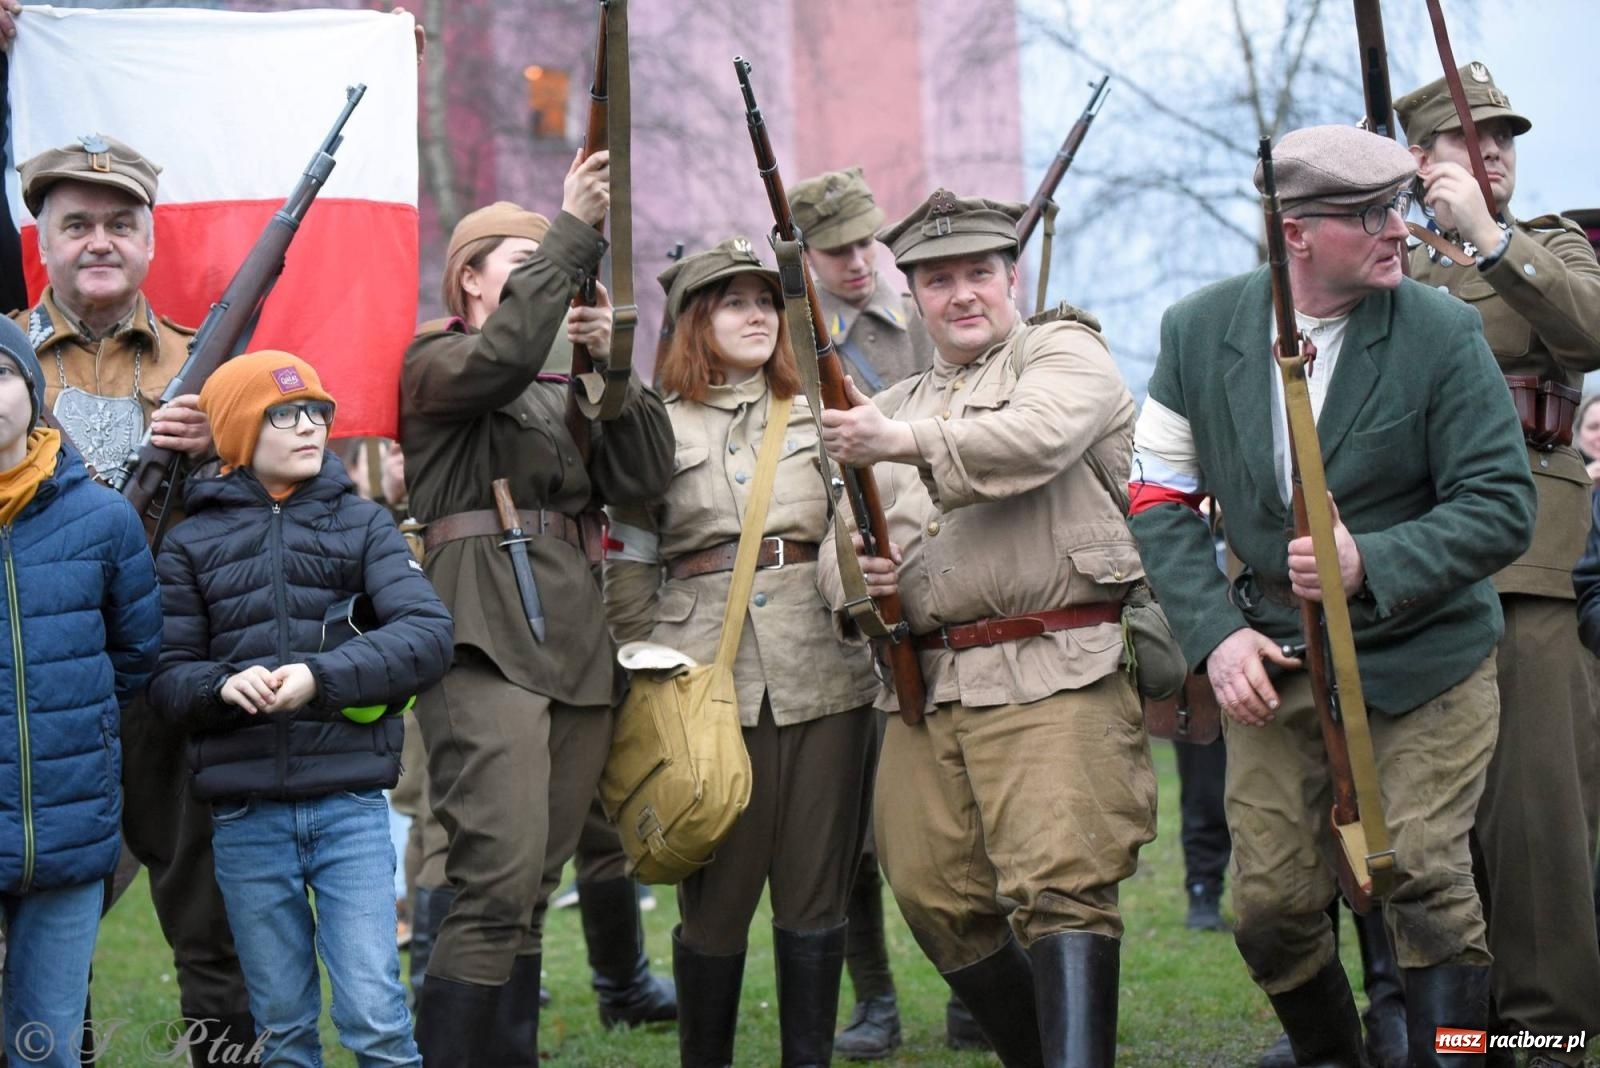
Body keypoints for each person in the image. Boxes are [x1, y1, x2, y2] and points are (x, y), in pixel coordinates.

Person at [1127, 124, 1536, 1067]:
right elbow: (1156, 499)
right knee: (1268, 908)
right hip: (1275, 655)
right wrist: (1216, 636)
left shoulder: (1443, 331)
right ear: (1295, 233)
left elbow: (1503, 505)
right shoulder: (1196, 331)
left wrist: (1370, 563)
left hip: (1423, 653)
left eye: (1397, 204)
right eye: (1369, 214)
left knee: (1424, 877)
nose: (1400, 227)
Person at [818, 189, 1158, 1066]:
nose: (962, 294)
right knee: (933, 894)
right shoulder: (891, 402)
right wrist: (864, 570)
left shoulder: (1062, 353)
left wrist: (898, 442)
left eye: (979, 273)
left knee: (1064, 886)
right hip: (929, 686)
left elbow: (1036, 439)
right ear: (915, 295)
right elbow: (833, 555)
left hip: (1058, 660)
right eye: (938, 280)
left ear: (1013, 277)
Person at [400, 153, 673, 1067]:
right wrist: (569, 230)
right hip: (481, 629)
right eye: (518, 263)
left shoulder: (563, 388)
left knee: (531, 885)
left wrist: (611, 364)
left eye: (546, 260)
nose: (542, 275)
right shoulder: (438, 361)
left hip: (573, 638)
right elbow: (505, 352)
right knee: (495, 876)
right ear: (468, 282)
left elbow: (642, 481)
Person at [603, 236, 879, 1067]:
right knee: (714, 897)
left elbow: (853, 528)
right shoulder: (653, 424)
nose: (757, 315)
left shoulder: (826, 408)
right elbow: (631, 562)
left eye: (766, 301)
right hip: (697, 679)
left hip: (821, 670)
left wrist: (854, 594)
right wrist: (637, 675)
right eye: (733, 301)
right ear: (695, 320)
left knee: (815, 888)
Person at [11, 135, 251, 1062]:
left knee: (211, 920)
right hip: (38, 684)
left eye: (120, 223)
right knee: (30, 918)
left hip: (176, 675)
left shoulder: (210, 363)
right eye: (77, 225)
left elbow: (281, 507)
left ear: (151, 241)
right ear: (45, 242)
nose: (98, 241)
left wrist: (217, 452)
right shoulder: (2, 361)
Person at [146, 350, 451, 1067]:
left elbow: (428, 636)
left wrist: (322, 676)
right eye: (285, 413)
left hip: (349, 807)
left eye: (318, 410)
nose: (309, 426)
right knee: (281, 1029)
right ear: (239, 430)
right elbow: (165, 676)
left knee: (376, 1019)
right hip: (245, 817)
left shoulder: (366, 525)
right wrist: (220, 687)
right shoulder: (190, 543)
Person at [1396, 65, 1600, 1065]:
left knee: (1535, 821)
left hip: (1525, 563)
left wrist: (1488, 231)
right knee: (1420, 824)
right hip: (1405, 564)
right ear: (1413, 158)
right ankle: (1440, 1029)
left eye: (1501, 139)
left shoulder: (1550, 241)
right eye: (1462, 139)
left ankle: (1546, 1033)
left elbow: (1588, 328)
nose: (1490, 154)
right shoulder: (1380, 258)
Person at [786, 164, 971, 1061]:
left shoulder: (925, 324)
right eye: (837, 249)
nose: (859, 261)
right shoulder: (792, 341)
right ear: (809, 259)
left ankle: (977, 990)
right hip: (847, 588)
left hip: (954, 573)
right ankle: (875, 1000)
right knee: (854, 837)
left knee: (972, 809)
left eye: (868, 243)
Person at [0, 315, 159, 1068]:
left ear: (34, 391)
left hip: (69, 829)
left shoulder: (101, 519)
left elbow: (135, 655)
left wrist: (79, 734)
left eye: (3, 374)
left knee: (47, 1049)